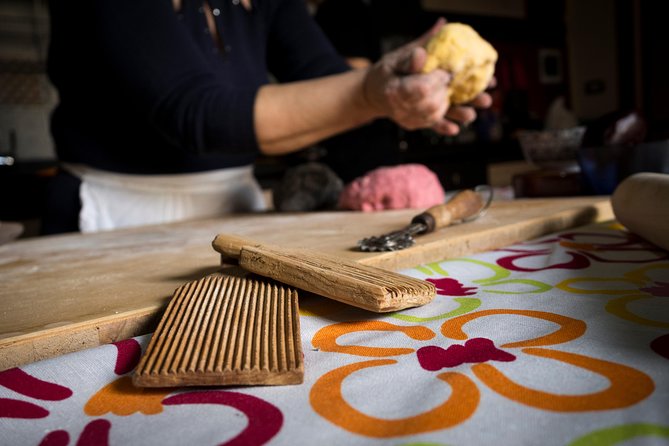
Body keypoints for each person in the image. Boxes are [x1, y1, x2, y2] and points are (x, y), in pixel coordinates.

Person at [42, 0, 492, 234]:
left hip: (235, 208)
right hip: (111, 213)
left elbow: (324, 77)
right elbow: (196, 114)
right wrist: (373, 93)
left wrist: (407, 83)